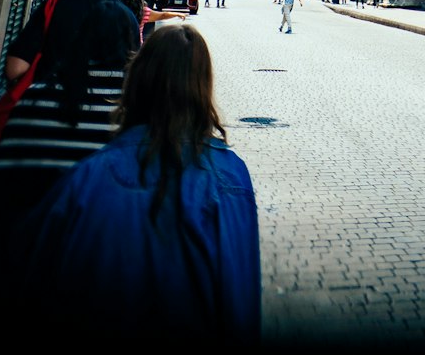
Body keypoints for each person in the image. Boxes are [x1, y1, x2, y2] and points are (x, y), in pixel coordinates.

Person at [20, 25, 260, 338]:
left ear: (137, 80)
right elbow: (240, 300)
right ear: (202, 88)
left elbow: (34, 282)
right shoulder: (229, 179)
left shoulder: (84, 180)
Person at [0, 0, 139, 234]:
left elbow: (14, 69)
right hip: (94, 197)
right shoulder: (125, 18)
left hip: (40, 156)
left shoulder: (55, 6)